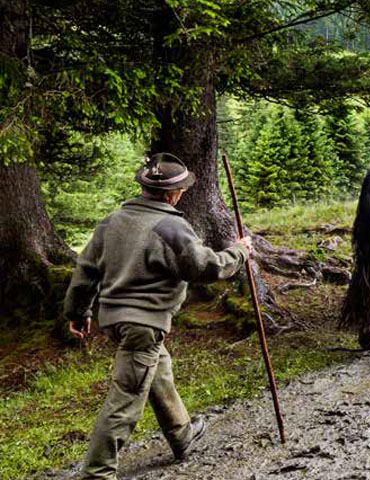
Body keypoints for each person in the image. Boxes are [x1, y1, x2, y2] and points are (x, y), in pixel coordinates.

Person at [64, 153, 254, 480]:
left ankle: (181, 433)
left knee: (157, 368)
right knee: (125, 398)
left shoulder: (112, 222)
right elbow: (205, 267)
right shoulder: (171, 227)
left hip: (117, 321)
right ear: (172, 194)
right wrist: (240, 251)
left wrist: (78, 312)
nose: (181, 193)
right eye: (180, 189)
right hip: (144, 323)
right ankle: (97, 473)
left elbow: (86, 271)